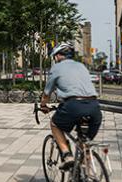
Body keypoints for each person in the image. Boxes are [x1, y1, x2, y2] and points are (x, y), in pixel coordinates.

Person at [40, 41, 102, 171]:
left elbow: (47, 93)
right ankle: (88, 174)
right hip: (95, 107)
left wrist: (43, 105)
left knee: (55, 124)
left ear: (57, 56)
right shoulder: (81, 66)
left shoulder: (56, 68)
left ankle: (67, 156)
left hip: (73, 106)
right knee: (84, 142)